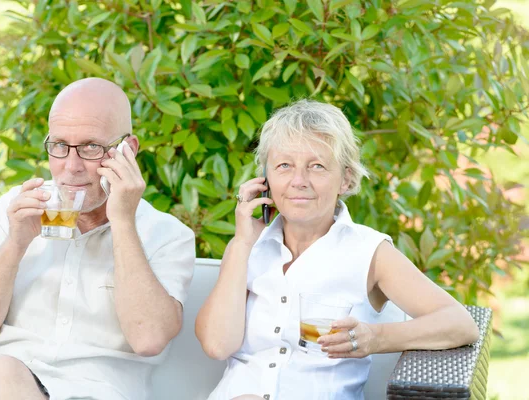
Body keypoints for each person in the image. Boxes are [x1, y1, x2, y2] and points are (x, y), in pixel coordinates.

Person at [195, 99, 480, 400]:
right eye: (284, 166)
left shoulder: (369, 251)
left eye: (316, 166)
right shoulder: (247, 247)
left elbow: (459, 324)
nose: (298, 181)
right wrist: (241, 243)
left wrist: (373, 338)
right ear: (265, 180)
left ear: (345, 178)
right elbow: (217, 345)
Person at [0, 78, 196, 400]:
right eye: (60, 146)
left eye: (91, 147)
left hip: (99, 393)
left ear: (128, 150)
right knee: (2, 369)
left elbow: (149, 338)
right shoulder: (18, 209)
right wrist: (15, 244)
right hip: (0, 387)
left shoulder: (167, 234)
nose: (71, 166)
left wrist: (122, 221)